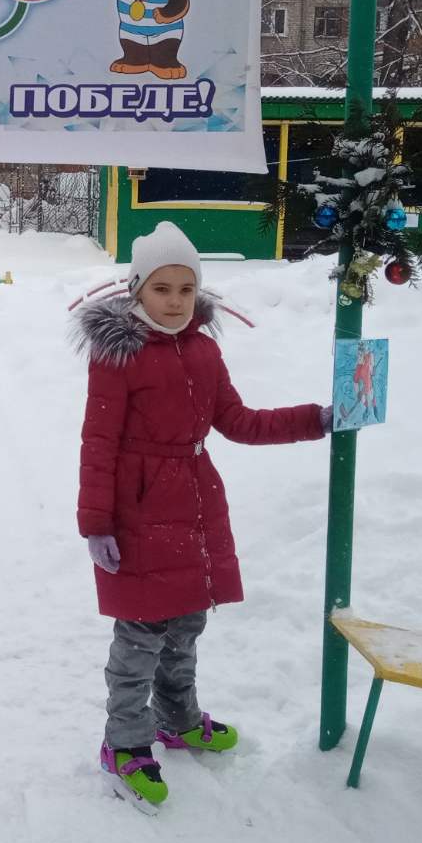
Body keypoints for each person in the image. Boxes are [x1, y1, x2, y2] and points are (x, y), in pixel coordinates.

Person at [72, 221, 329, 812]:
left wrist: (315, 418)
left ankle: (179, 719)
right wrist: (97, 523)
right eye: (162, 289)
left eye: (186, 290)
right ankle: (124, 742)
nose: (175, 301)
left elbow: (238, 422)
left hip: (193, 500)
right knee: (141, 634)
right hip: (137, 507)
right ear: (137, 289)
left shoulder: (206, 350)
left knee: (186, 623)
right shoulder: (119, 355)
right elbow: (98, 442)